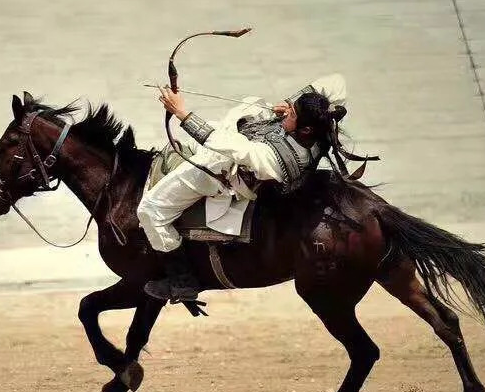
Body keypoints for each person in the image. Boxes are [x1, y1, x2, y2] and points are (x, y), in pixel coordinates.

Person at [137, 75, 349, 302]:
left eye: (293, 114)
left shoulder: (278, 159)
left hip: (222, 171)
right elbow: (337, 82)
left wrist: (181, 113)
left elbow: (231, 148)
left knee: (150, 210)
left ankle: (182, 279)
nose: (287, 113)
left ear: (305, 130)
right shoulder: (317, 124)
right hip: (240, 139)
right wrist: (291, 101)